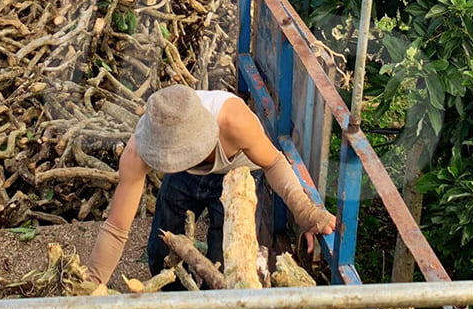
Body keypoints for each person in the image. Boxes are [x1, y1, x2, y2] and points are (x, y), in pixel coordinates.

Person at [84, 84, 337, 287]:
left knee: (223, 262)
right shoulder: (140, 148)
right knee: (161, 249)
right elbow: (117, 227)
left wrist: (306, 212)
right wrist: (92, 283)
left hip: (238, 171)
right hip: (184, 176)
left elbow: (274, 163)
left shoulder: (234, 122)